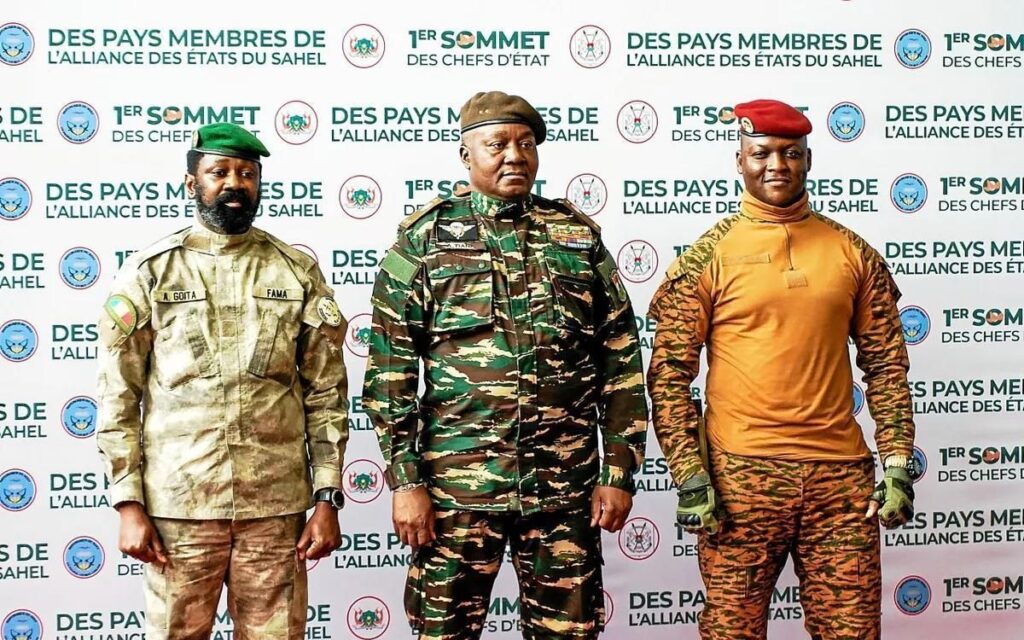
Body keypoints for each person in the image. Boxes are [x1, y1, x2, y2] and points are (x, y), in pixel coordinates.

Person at [362, 91, 647, 640]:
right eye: (498, 144)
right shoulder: (425, 241)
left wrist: (617, 472)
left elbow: (621, 362)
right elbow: (389, 373)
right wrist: (405, 481)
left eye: (526, 144)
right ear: (465, 155)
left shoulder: (576, 238)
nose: (515, 155)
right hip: (457, 492)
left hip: (564, 489)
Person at [648, 99, 917, 640]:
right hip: (740, 480)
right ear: (740, 161)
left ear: (808, 160)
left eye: (791, 153)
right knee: (732, 633)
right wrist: (690, 474)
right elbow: (669, 375)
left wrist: (896, 462)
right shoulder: (707, 257)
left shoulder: (853, 253)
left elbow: (887, 366)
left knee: (851, 633)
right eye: (762, 153)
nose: (777, 165)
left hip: (840, 483)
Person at [96, 123, 349, 640]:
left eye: (247, 174)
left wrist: (327, 498)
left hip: (274, 509)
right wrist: (127, 503)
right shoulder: (153, 272)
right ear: (193, 183)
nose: (234, 183)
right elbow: (119, 395)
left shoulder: (294, 271)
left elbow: (326, 395)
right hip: (180, 509)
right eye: (219, 172)